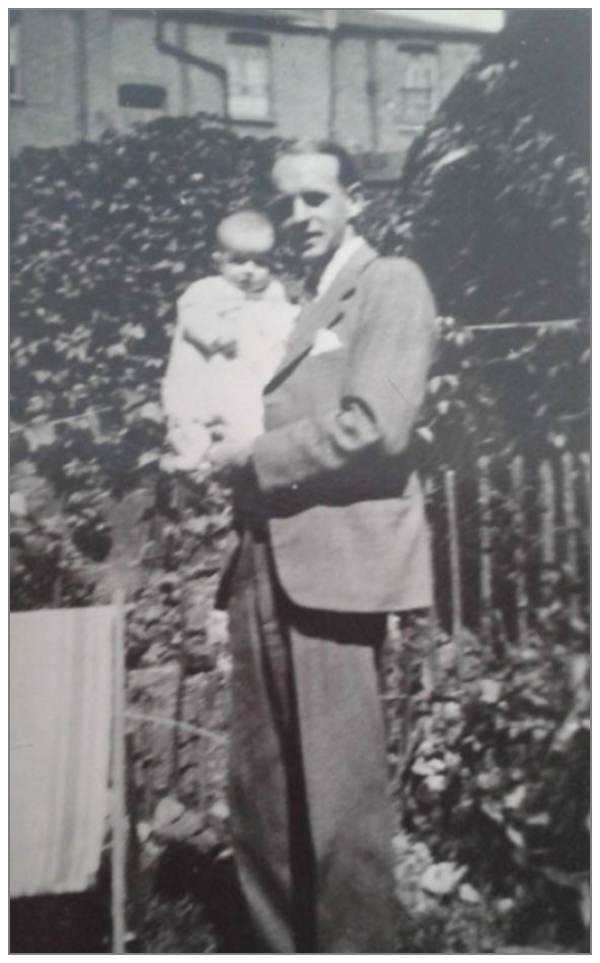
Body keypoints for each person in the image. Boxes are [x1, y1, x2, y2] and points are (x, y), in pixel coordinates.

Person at [209, 141, 437, 953]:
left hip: (337, 571)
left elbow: (378, 425)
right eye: (283, 204)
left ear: (354, 201)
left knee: (341, 807)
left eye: (314, 198)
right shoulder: (295, 304)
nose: (297, 216)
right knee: (262, 794)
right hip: (264, 557)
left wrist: (254, 457)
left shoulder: (389, 283)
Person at [161, 209, 298, 474]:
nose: (250, 271)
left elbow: (284, 324)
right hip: (212, 365)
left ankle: (243, 455)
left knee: (250, 417)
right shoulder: (207, 290)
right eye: (239, 261)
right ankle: (192, 450)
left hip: (248, 373)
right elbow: (192, 320)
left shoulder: (274, 292)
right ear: (219, 260)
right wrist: (216, 334)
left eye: (260, 263)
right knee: (193, 415)